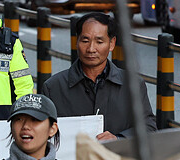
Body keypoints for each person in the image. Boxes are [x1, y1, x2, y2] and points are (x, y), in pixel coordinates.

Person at [42, 11, 156, 140]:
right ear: (76, 41)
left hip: (118, 153)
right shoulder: (53, 87)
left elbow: (149, 128)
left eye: (99, 42)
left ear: (112, 44)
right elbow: (42, 134)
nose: (91, 49)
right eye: (85, 41)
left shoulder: (133, 84)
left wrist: (118, 139)